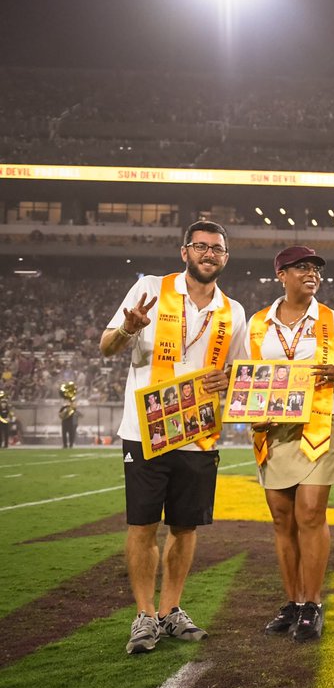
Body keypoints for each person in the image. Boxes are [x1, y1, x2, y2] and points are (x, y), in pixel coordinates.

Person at [99, 219, 248, 655]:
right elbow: (107, 346)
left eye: (216, 249)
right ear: (185, 252)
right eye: (200, 246)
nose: (208, 254)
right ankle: (144, 616)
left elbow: (240, 375)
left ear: (225, 258)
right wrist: (129, 328)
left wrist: (231, 384)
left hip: (199, 434)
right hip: (145, 431)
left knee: (185, 528)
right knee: (142, 526)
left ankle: (170, 611)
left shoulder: (232, 311)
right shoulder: (150, 287)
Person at [248, 246, 334, 642]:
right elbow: (245, 378)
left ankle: (313, 604)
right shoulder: (258, 323)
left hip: (321, 421)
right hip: (272, 426)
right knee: (282, 518)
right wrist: (252, 412)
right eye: (302, 267)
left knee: (310, 512)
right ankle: (293, 602)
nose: (311, 273)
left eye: (315, 268)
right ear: (281, 274)